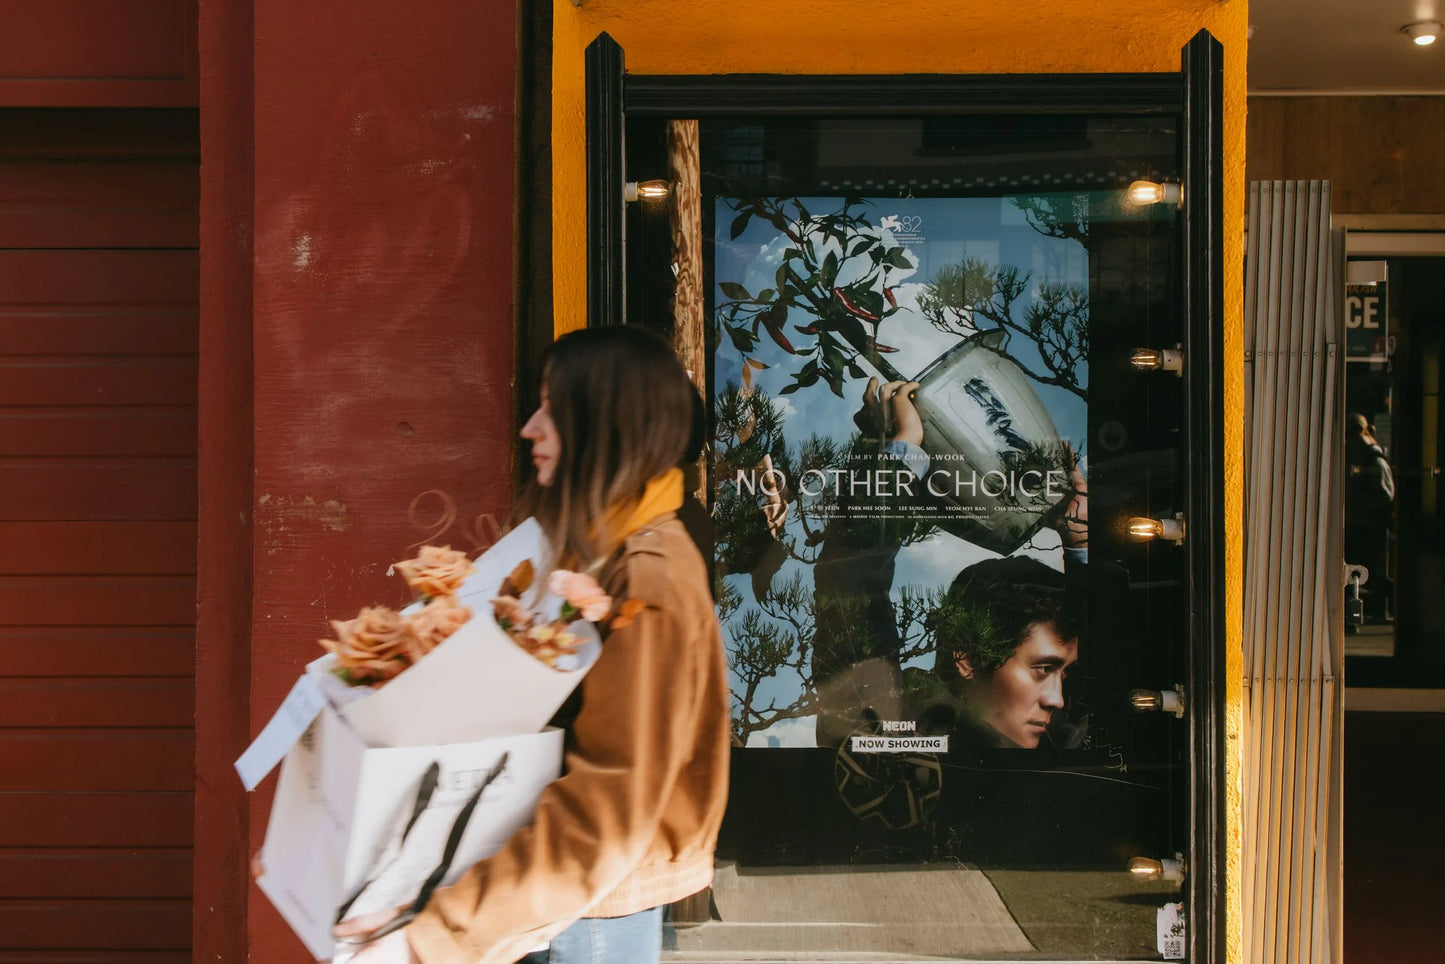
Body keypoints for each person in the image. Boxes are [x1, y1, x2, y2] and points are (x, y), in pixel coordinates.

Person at [336, 326, 731, 964]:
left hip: (587, 909)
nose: (529, 427)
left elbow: (608, 814)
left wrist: (430, 939)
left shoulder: (648, 575)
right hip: (547, 895)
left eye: (553, 407)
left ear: (605, 423)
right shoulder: (591, 546)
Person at [812, 377, 1092, 751]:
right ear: (968, 658)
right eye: (1043, 669)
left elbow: (1107, 664)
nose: (1057, 699)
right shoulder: (901, 734)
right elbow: (851, 594)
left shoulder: (1065, 744)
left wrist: (1080, 541)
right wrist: (899, 456)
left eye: (1065, 673)